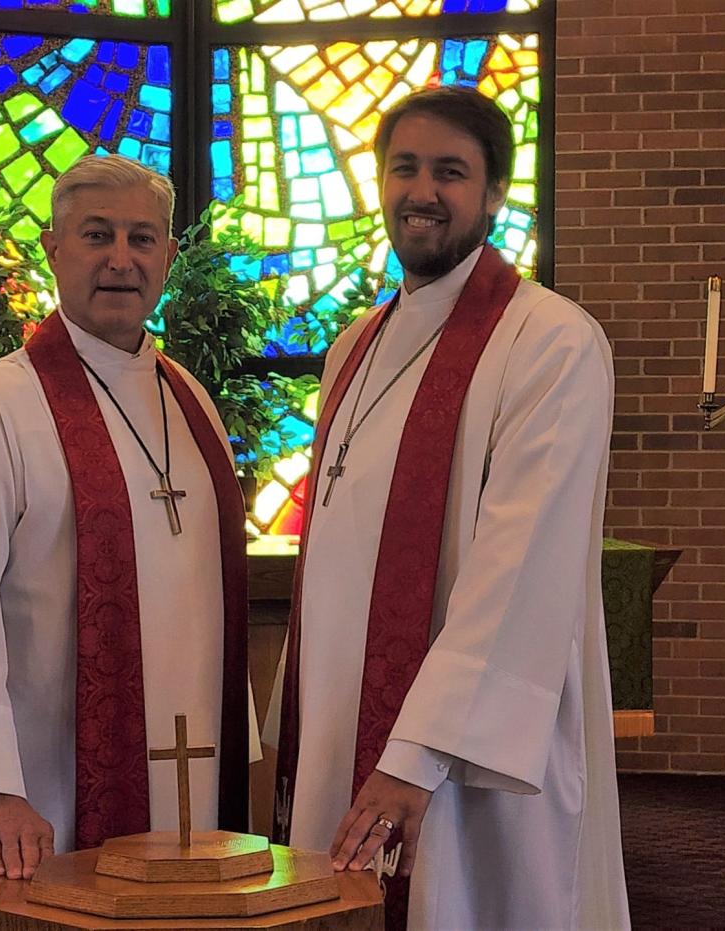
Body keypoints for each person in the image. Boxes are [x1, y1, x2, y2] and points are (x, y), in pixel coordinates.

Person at [267, 86, 631, 930]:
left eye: (451, 172)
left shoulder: (550, 339)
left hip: (474, 747)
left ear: (495, 193)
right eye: (405, 168)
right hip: (345, 720)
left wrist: (417, 751)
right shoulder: (355, 344)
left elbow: (520, 565)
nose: (422, 191)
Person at [0, 153, 253, 931]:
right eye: (97, 235)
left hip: (188, 772)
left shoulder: (189, 398)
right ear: (52, 247)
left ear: (169, 256)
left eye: (143, 238)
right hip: (39, 781)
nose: (121, 258)